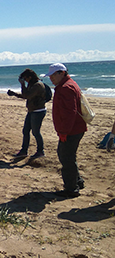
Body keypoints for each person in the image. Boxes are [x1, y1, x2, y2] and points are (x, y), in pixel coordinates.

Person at [45, 63, 87, 198]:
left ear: (61, 73)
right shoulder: (67, 84)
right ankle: (77, 182)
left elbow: (70, 112)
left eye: (53, 75)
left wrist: (64, 131)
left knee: (66, 157)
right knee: (68, 156)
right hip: (73, 129)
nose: (51, 78)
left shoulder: (66, 87)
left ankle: (71, 189)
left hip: (71, 130)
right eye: (50, 76)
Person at [7, 69, 47, 159]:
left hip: (38, 111)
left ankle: (40, 151)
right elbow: (26, 95)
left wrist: (22, 85)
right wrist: (14, 94)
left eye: (25, 79)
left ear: (30, 77)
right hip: (32, 111)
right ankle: (24, 151)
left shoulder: (38, 85)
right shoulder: (32, 85)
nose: (25, 80)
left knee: (36, 132)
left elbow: (27, 95)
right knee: (25, 131)